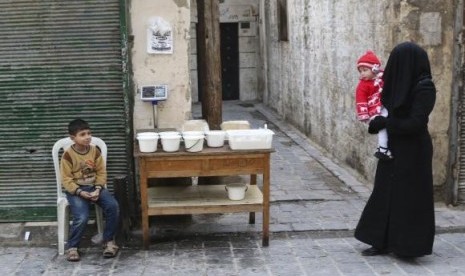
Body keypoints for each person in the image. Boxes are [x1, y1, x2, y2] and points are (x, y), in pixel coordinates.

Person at [354, 42, 436, 258]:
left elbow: (415, 123)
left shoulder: (424, 87)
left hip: (414, 150)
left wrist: (385, 124)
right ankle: (380, 241)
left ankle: (408, 246)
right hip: (393, 148)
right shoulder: (395, 85)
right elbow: (382, 110)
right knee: (385, 194)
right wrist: (376, 122)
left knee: (408, 198)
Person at [60, 118, 120, 261]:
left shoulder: (94, 151)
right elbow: (66, 180)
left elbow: (101, 172)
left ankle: (108, 241)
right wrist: (80, 192)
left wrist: (98, 189)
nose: (87, 137)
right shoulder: (68, 155)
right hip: (76, 191)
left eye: (89, 133)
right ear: (73, 138)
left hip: (94, 187)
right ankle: (73, 247)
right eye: (82, 134)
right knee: (82, 217)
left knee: (113, 206)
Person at [355, 50, 393, 160]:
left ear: (374, 69)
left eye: (365, 70)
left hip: (383, 107)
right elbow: (360, 101)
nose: (362, 73)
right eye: (360, 71)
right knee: (382, 128)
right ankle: (383, 149)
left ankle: (383, 147)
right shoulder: (362, 86)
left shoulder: (380, 78)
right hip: (374, 111)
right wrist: (365, 116)